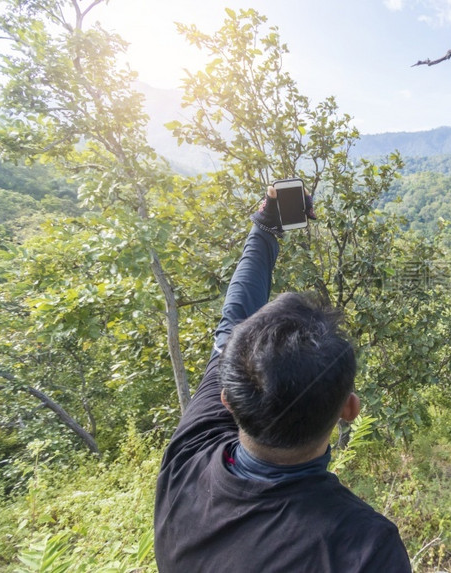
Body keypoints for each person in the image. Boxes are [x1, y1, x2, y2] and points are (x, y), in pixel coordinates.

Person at [154, 185, 412, 572]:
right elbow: (233, 322)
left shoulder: (188, 458)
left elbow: (233, 321)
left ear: (226, 399)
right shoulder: (365, 548)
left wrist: (265, 228)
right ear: (350, 409)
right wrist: (265, 228)